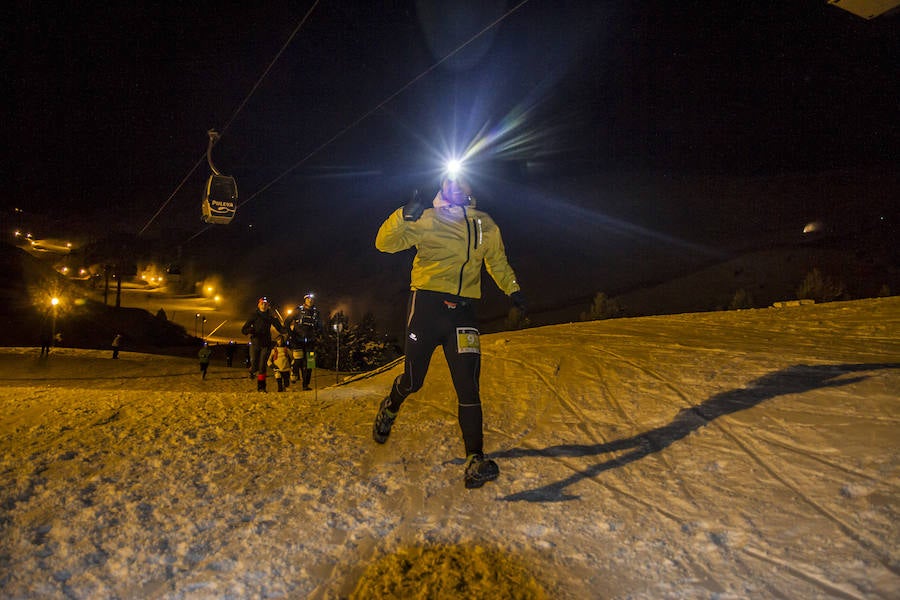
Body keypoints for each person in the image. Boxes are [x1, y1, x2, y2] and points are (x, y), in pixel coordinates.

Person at [372, 173, 526, 489]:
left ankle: (474, 459)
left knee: (468, 386)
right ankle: (390, 407)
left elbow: (497, 262)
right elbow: (384, 243)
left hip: (464, 312)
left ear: (471, 187)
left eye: (462, 181)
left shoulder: (485, 224)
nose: (456, 186)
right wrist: (402, 215)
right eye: (449, 181)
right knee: (414, 380)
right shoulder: (426, 218)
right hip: (427, 306)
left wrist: (513, 290)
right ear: (443, 188)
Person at [241, 297, 285, 392]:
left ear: (268, 306)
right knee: (254, 364)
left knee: (262, 366)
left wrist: (288, 330)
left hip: (266, 344)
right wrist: (250, 330)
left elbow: (280, 328)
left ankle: (261, 387)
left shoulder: (270, 317)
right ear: (259, 305)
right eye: (262, 303)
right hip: (255, 343)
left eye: (266, 304)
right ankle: (252, 370)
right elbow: (243, 329)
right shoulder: (254, 315)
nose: (264, 305)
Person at [285, 293, 322, 391]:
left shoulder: (316, 313)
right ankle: (294, 372)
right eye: (308, 299)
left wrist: (319, 334)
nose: (310, 301)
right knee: (298, 359)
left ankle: (306, 385)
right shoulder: (298, 310)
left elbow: (320, 326)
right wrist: (291, 334)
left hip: (310, 341)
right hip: (297, 340)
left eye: (311, 299)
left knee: (310, 363)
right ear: (305, 300)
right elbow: (287, 322)